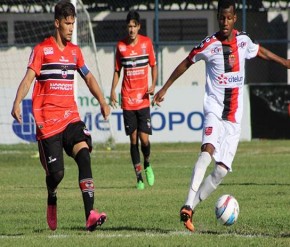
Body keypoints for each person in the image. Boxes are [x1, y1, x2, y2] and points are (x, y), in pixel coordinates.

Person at [153, 0, 290, 232]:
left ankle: (190, 210)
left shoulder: (243, 41)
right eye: (221, 18)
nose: (224, 22)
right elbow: (186, 62)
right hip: (214, 110)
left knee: (221, 171)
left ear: (235, 18)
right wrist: (165, 88)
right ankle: (187, 203)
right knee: (207, 152)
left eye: (229, 18)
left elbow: (260, 51)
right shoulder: (209, 45)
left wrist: (283, 62)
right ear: (218, 18)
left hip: (234, 118)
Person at [11, 0, 110, 232]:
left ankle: (90, 215)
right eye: (67, 24)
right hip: (47, 124)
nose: (70, 28)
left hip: (70, 119)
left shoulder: (75, 52)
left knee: (84, 155)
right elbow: (28, 79)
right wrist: (17, 102)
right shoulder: (41, 51)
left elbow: (89, 77)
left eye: (73, 24)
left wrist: (102, 101)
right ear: (57, 23)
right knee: (57, 174)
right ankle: (52, 194)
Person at [110, 10, 157, 190]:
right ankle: (138, 178)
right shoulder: (121, 46)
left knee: (144, 140)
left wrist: (153, 84)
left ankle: (147, 163)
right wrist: (113, 90)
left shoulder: (147, 43)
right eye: (128, 26)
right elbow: (117, 71)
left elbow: (153, 65)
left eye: (133, 26)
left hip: (143, 100)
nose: (131, 29)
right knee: (133, 140)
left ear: (139, 27)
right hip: (128, 100)